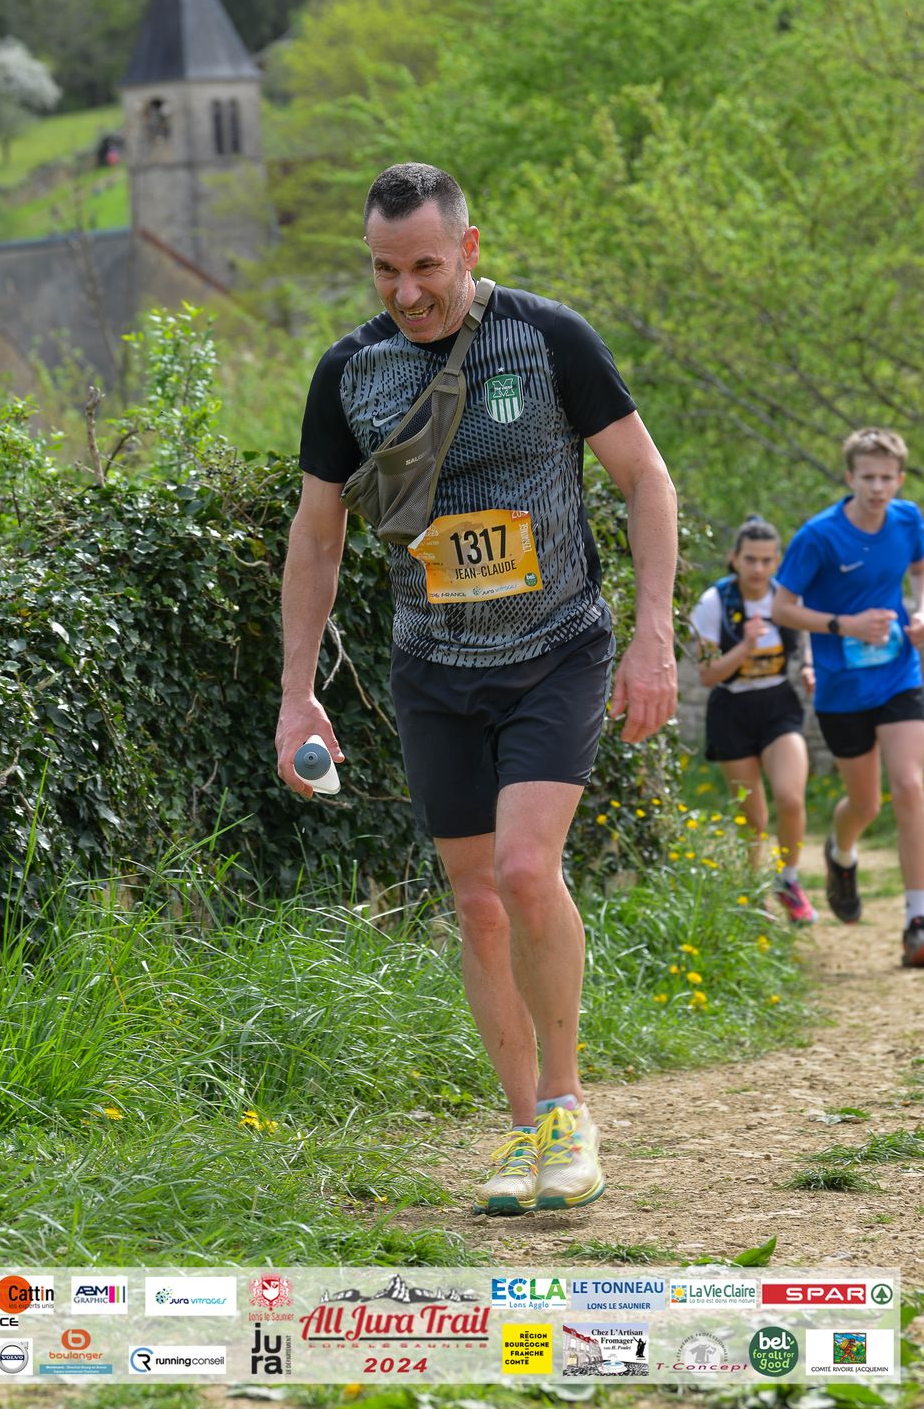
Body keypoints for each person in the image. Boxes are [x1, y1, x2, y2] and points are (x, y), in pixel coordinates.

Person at [275, 162, 678, 1214]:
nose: (405, 290)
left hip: (555, 648)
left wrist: (652, 637)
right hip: (433, 667)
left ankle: (567, 1108)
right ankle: (520, 1128)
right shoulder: (349, 372)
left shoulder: (546, 338)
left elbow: (644, 477)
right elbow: (316, 536)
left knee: (524, 868)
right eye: (383, 269)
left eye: (423, 266)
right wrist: (296, 691)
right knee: (476, 902)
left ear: (467, 248)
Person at [771, 428, 924, 967]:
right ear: (849, 477)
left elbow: (920, 571)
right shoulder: (819, 536)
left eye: (886, 478)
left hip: (900, 673)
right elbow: (783, 608)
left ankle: (917, 921)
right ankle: (841, 854)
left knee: (911, 786)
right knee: (865, 804)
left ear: (899, 479)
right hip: (841, 687)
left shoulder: (909, 519)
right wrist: (846, 625)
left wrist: (920, 612)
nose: (878, 488)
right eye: (868, 477)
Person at [690, 516, 816, 923]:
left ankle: (789, 882)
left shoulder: (787, 597)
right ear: (734, 559)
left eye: (766, 560)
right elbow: (707, 674)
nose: (758, 569)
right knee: (754, 817)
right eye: (750, 560)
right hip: (732, 709)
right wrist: (745, 646)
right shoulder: (714, 602)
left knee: (790, 797)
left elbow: (807, 639)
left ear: (777, 561)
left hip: (778, 703)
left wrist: (809, 667)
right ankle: (751, 893)